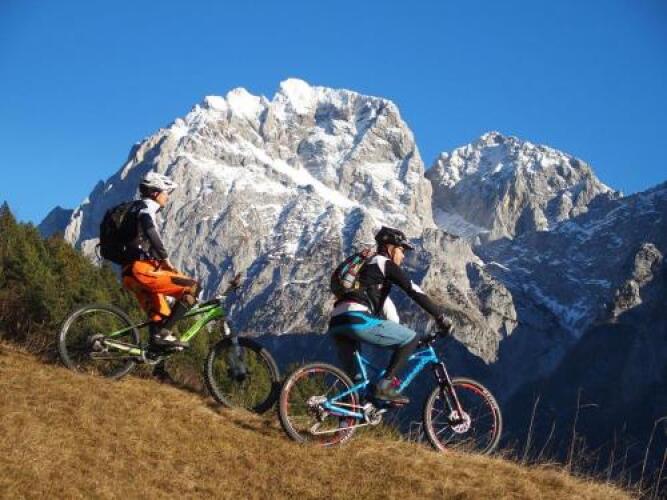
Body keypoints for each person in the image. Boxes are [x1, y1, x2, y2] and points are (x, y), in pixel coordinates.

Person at [328, 226, 451, 405]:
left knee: (357, 385)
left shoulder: (368, 274)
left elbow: (391, 316)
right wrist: (439, 316)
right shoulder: (383, 262)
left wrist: (401, 338)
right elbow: (412, 289)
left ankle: (345, 415)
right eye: (402, 250)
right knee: (411, 338)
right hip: (356, 319)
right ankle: (385, 386)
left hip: (336, 322)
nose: (403, 256)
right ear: (390, 248)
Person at [120, 171, 201, 374]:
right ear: (155, 193)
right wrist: (165, 260)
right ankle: (164, 334)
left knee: (161, 315)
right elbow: (150, 231)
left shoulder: (134, 208)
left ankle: (158, 371)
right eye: (166, 193)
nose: (168, 197)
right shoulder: (147, 207)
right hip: (142, 270)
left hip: (129, 274)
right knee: (192, 287)